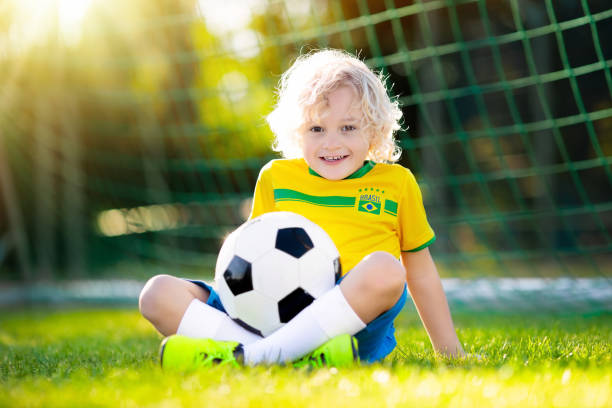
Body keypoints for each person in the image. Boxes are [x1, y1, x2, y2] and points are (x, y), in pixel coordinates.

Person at [139, 49, 465, 369]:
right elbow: (249, 258)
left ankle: (246, 355)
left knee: (387, 269)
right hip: (267, 315)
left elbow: (420, 273)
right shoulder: (276, 177)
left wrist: (450, 353)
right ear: (297, 130)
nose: (331, 143)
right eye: (316, 129)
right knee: (157, 293)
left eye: (348, 127)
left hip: (348, 324)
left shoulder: (396, 183)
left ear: (375, 129)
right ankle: (279, 356)